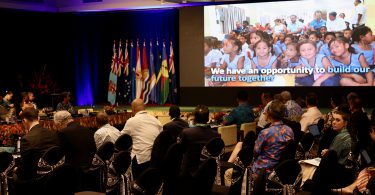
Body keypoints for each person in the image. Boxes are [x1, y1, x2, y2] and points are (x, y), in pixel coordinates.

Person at [121, 98, 162, 179]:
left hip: (141, 160)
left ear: (132, 109)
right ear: (144, 107)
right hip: (156, 159)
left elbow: (121, 138)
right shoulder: (156, 121)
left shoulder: (131, 121)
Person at [15, 108, 60, 181]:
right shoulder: (53, 134)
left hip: (35, 180)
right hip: (54, 177)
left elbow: (24, 168)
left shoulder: (27, 139)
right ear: (38, 118)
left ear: (24, 121)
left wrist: (15, 170)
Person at [252, 100, 294, 177]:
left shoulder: (265, 133)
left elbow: (255, 152)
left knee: (229, 173)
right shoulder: (289, 130)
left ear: (269, 114)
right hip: (281, 171)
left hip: (262, 171)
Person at [179, 105, 218, 177]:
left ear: (194, 118)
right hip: (208, 174)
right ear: (207, 118)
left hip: (188, 174)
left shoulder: (186, 132)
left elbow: (180, 150)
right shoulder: (215, 135)